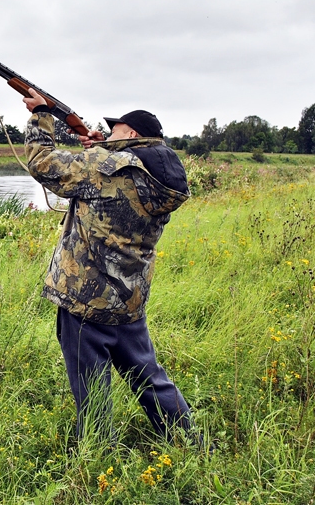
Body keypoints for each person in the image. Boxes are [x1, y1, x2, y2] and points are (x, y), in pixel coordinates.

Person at [22, 87, 193, 442]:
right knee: (150, 378)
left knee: (92, 390)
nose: (108, 131)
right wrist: (103, 147)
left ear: (131, 134)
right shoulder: (161, 177)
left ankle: (98, 460)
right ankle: (188, 441)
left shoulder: (103, 167)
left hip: (86, 301)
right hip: (129, 298)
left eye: (116, 129)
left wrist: (41, 115)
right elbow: (114, 177)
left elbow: (42, 162)